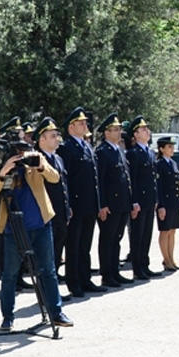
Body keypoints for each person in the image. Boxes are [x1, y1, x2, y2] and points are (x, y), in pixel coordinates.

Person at [0, 141, 73, 332]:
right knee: (10, 274)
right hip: (13, 229)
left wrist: (40, 165)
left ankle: (56, 313)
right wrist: (4, 172)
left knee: (48, 270)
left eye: (25, 151)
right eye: (19, 153)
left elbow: (55, 178)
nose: (22, 156)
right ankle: (7, 318)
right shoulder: (5, 167)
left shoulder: (36, 160)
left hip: (40, 225)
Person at [57, 107, 102, 297]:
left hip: (89, 204)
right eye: (81, 123)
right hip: (76, 205)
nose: (85, 126)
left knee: (85, 245)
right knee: (73, 246)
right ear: (71, 127)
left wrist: (97, 204)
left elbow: (94, 179)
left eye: (85, 123)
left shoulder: (86, 146)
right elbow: (66, 180)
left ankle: (85, 279)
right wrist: (68, 206)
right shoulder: (66, 148)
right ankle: (73, 282)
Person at [95, 112, 135, 287]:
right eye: (115, 130)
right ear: (106, 132)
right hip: (110, 204)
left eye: (119, 130)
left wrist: (130, 201)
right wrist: (102, 204)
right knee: (107, 239)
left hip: (122, 203)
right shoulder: (102, 152)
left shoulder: (118, 149)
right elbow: (100, 181)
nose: (119, 133)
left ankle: (115, 272)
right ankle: (107, 274)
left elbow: (126, 177)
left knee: (116, 239)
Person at [33, 117, 70, 281]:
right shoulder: (37, 160)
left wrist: (67, 207)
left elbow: (63, 186)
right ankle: (46, 288)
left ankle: (52, 284)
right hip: (45, 214)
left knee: (57, 250)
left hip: (60, 212)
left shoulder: (58, 158)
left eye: (57, 135)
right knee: (46, 254)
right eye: (53, 135)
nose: (57, 139)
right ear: (42, 139)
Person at [126, 116, 159, 279]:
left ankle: (145, 265)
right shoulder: (133, 153)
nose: (147, 131)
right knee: (137, 235)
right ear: (136, 135)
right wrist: (134, 201)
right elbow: (133, 179)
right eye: (143, 129)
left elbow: (153, 178)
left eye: (147, 129)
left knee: (147, 234)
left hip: (150, 200)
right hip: (139, 201)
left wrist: (156, 199)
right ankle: (138, 268)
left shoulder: (150, 152)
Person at [155, 135, 179, 270]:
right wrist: (160, 205)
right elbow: (159, 187)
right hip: (165, 203)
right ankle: (166, 259)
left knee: (172, 231)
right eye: (169, 147)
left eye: (172, 146)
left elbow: (177, 184)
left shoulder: (173, 163)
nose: (172, 149)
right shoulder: (159, 164)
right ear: (161, 149)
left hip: (174, 202)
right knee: (165, 231)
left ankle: (171, 258)